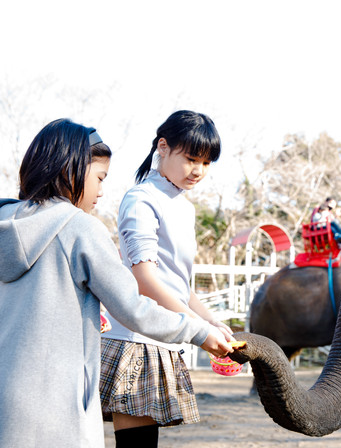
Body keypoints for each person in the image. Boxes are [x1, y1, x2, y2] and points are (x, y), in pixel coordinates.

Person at [0, 119, 235, 448]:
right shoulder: (80, 228)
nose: (102, 191)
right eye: (100, 178)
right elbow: (133, 306)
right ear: (70, 170)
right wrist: (199, 332)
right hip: (59, 405)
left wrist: (208, 321)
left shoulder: (6, 223)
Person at [100, 110, 233, 447]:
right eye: (191, 159)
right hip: (135, 337)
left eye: (206, 163)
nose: (199, 171)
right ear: (163, 146)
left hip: (164, 332)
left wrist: (213, 320)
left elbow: (178, 285)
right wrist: (198, 329)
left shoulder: (183, 206)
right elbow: (144, 277)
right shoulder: (141, 198)